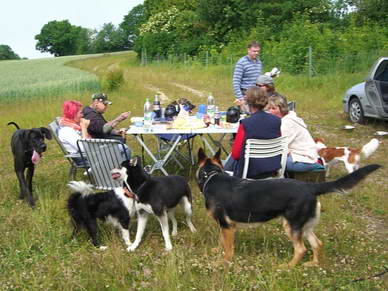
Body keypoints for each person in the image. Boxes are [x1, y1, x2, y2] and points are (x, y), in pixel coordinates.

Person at [224, 87, 282, 179]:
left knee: (230, 160)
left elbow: (236, 154)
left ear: (247, 102)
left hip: (250, 171)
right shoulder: (277, 121)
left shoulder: (246, 123)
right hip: (272, 168)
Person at [265, 93, 325, 172]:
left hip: (305, 157)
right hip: (296, 154)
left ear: (282, 108)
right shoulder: (285, 119)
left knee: (276, 163)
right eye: (269, 109)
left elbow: (281, 145)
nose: (270, 111)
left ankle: (317, 166)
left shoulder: (287, 122)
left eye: (273, 108)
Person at [233, 41, 263, 113]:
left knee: (256, 116)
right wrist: (240, 98)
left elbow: (259, 78)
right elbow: (236, 81)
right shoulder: (241, 62)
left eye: (258, 51)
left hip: (256, 94)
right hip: (245, 94)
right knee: (246, 116)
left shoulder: (259, 62)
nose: (256, 53)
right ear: (248, 50)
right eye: (254, 51)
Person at [58, 100, 90, 165]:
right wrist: (84, 127)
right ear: (73, 114)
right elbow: (84, 148)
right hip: (84, 158)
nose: (83, 115)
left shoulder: (74, 125)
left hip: (89, 153)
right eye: (81, 113)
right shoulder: (66, 131)